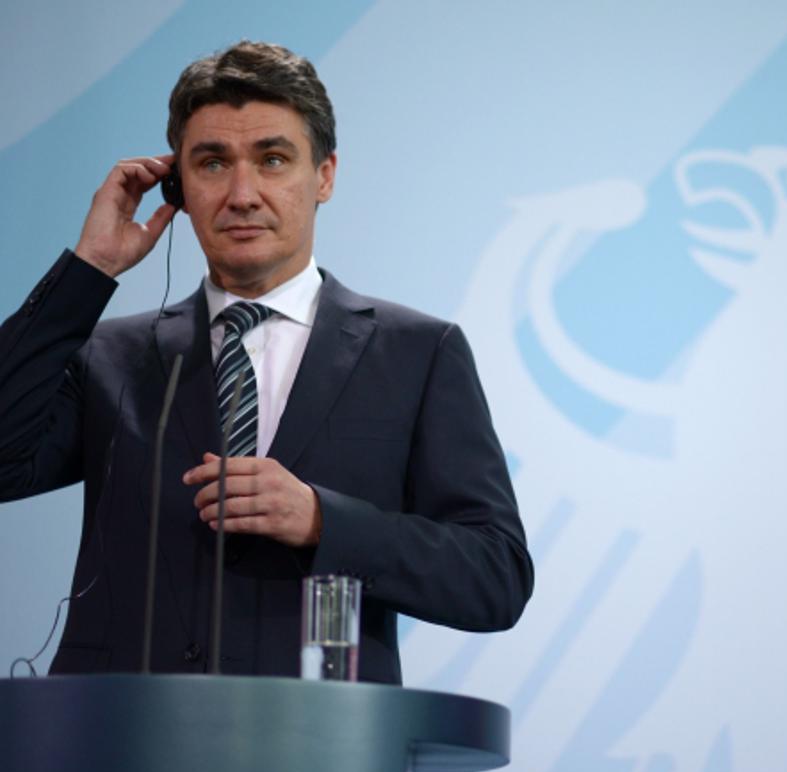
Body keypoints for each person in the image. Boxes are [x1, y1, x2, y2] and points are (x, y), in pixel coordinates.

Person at [0, 41, 533, 683]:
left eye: (273, 160)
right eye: (212, 164)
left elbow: (495, 576)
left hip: (315, 734)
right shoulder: (110, 357)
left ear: (324, 176)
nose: (242, 194)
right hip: (120, 734)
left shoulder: (420, 353)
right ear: (178, 186)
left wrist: (322, 521)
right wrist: (89, 270)